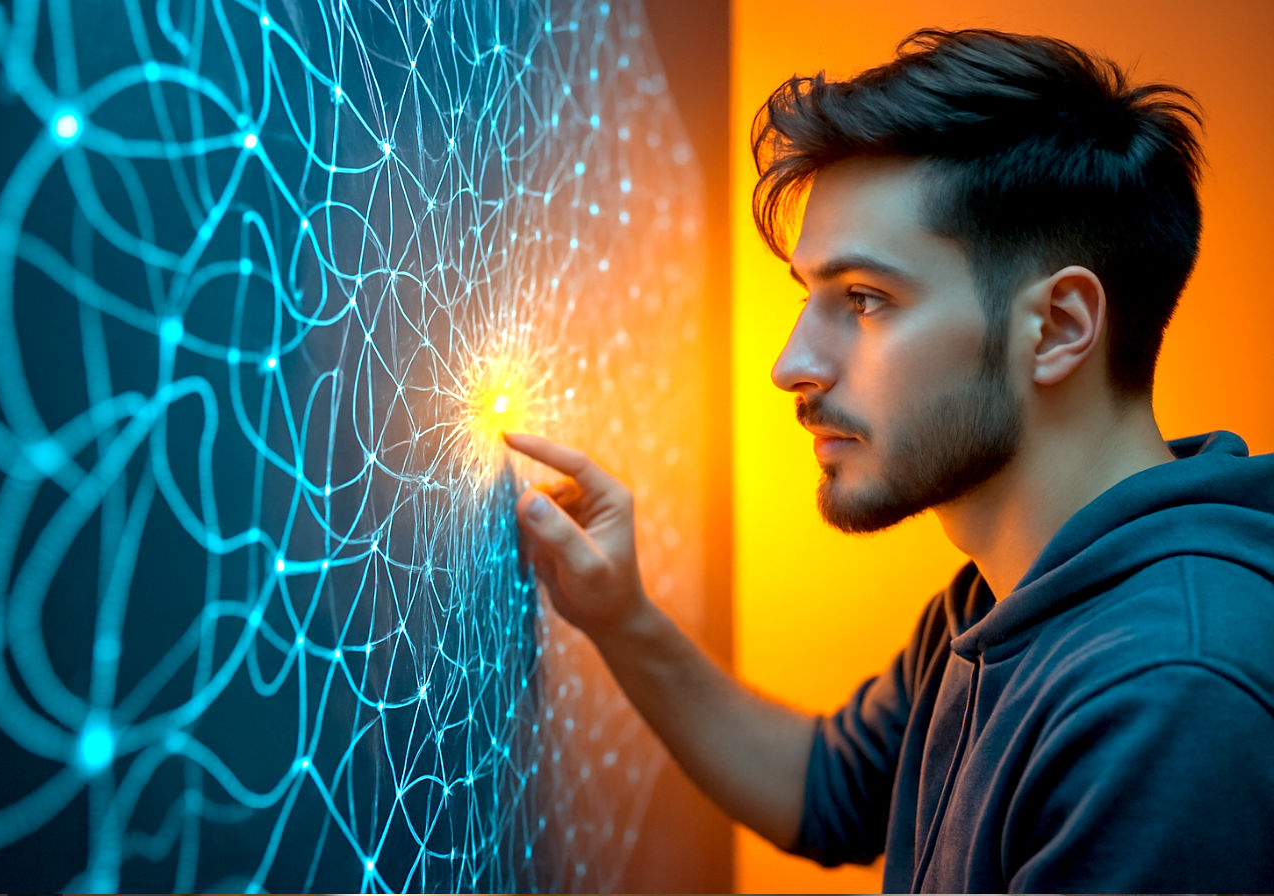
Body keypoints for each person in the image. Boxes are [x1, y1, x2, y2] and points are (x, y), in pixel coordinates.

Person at [505, 27, 1274, 892]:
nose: (792, 364)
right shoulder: (1005, 596)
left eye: (864, 300)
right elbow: (825, 791)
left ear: (1059, 327)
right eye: (811, 299)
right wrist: (621, 617)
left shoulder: (1170, 703)